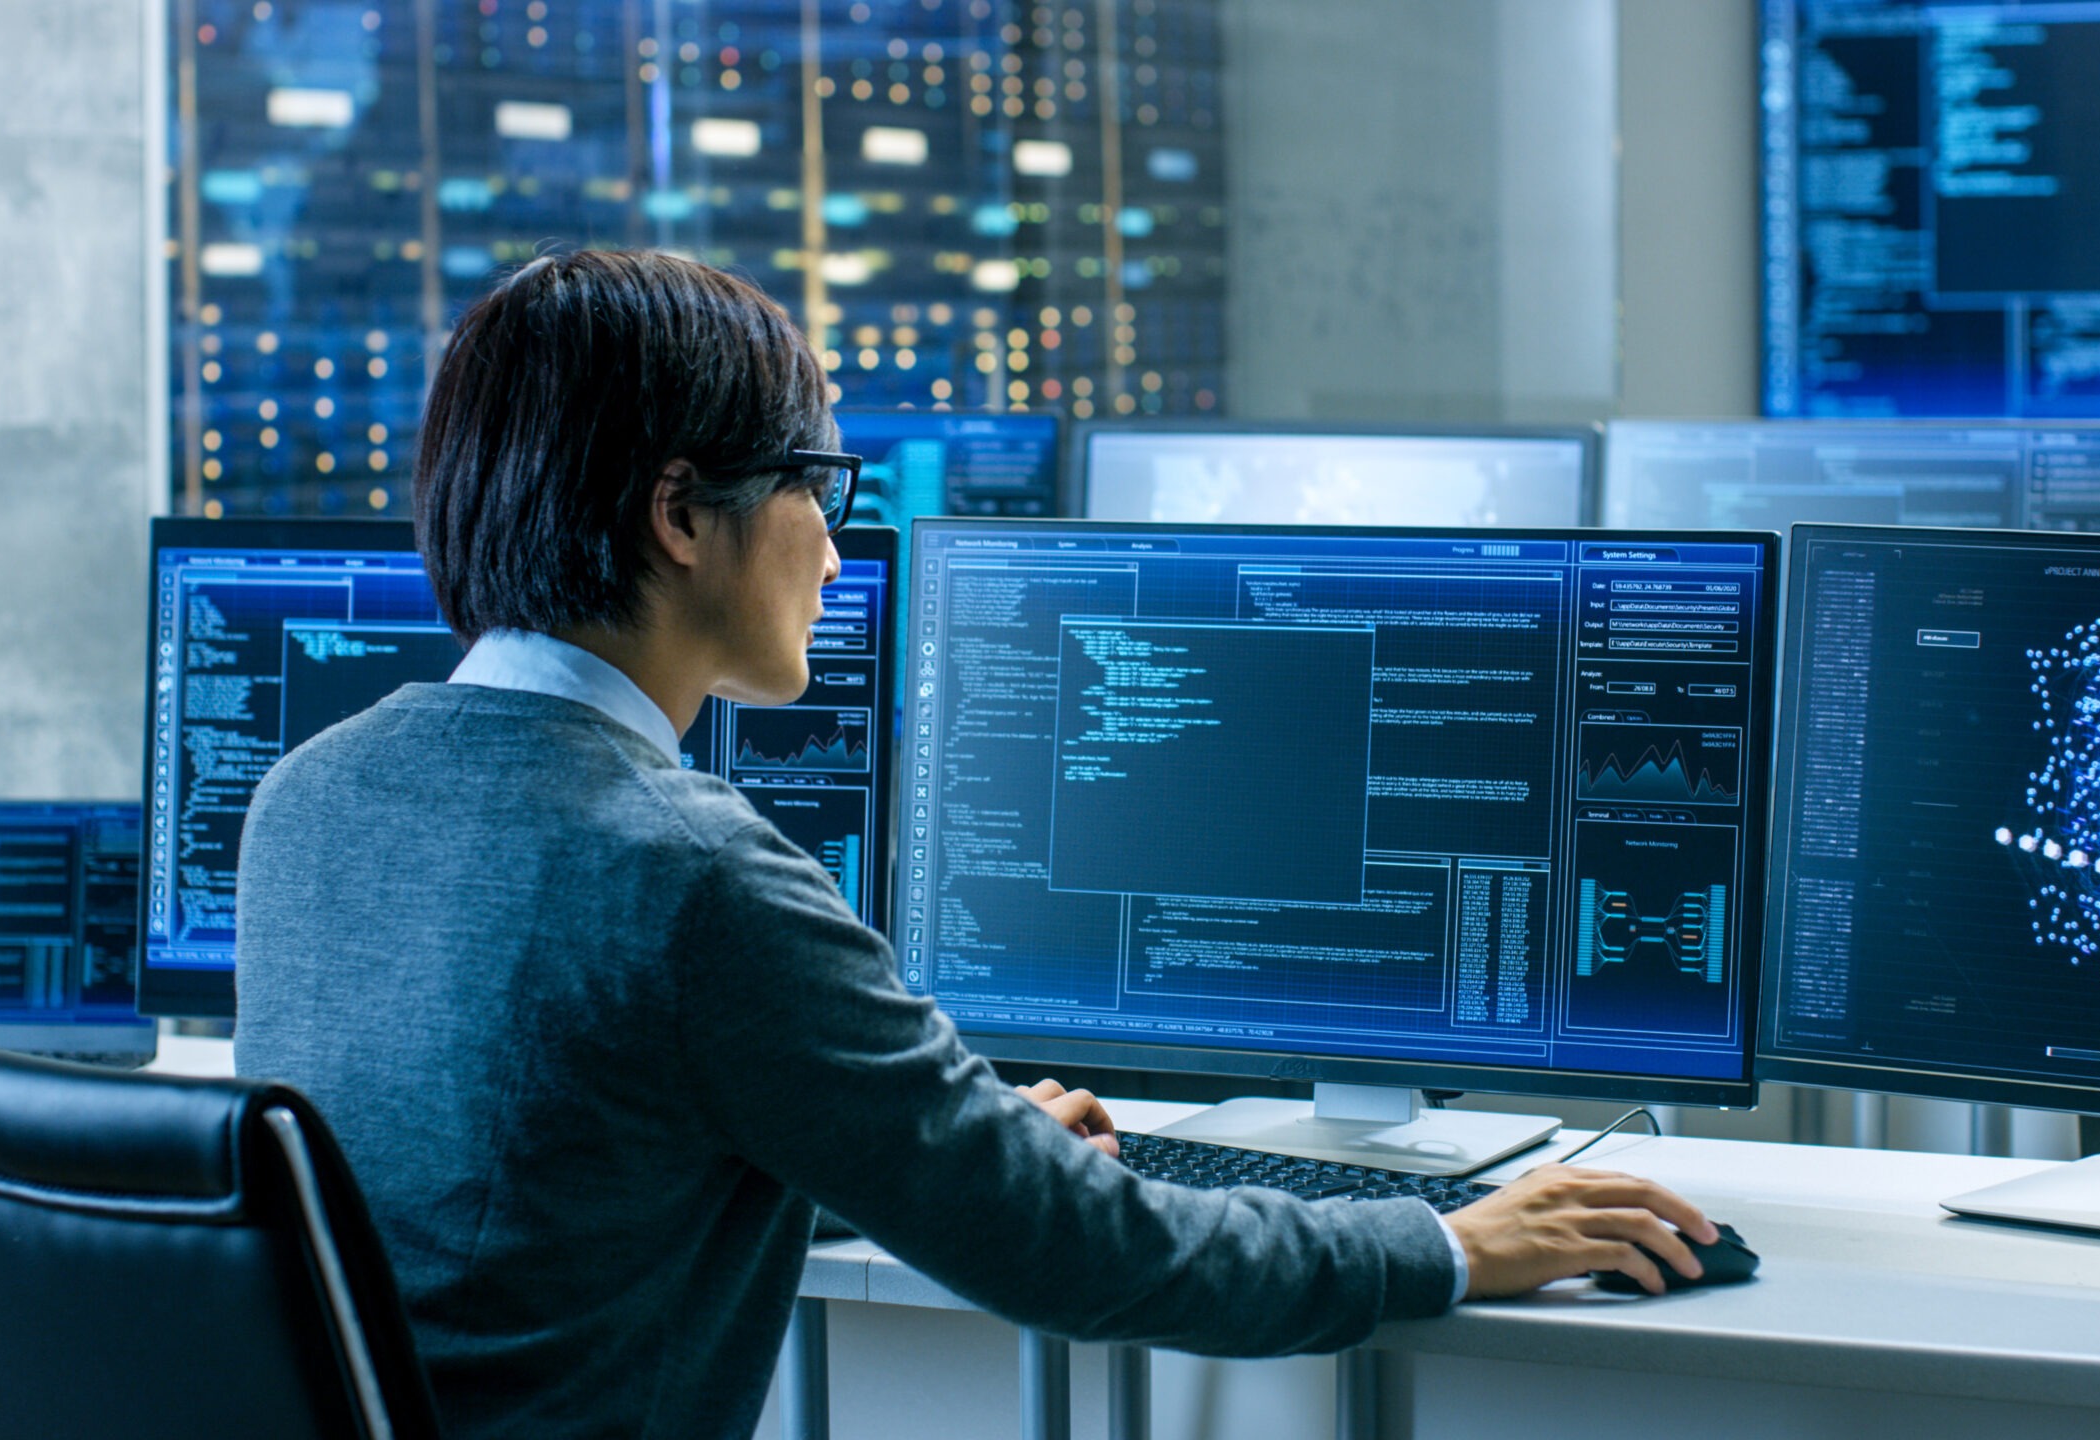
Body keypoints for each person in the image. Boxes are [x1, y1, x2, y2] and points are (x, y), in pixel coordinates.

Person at [233, 249, 1721, 1439]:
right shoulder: (690, 876)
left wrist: (930, 1151)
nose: (835, 544)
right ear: (681, 514)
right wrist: (1453, 1245)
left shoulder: (311, 798)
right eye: (814, 481)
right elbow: (1086, 1259)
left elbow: (551, 1179)